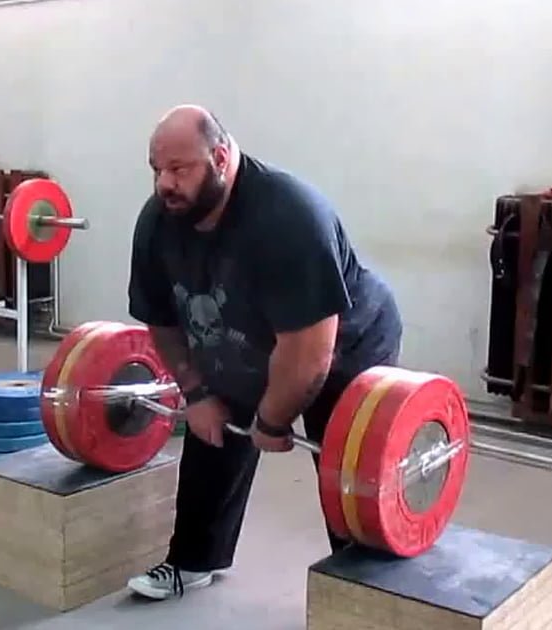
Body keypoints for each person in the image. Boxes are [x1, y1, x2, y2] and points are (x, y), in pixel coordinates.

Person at [125, 104, 403, 600]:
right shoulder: (160, 221)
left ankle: (361, 593)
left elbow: (309, 354)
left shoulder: (287, 217)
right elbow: (162, 321)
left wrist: (272, 423)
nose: (165, 183)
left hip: (344, 344)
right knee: (212, 430)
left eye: (179, 169)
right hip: (247, 335)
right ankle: (192, 560)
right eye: (157, 170)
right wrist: (198, 393)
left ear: (222, 156)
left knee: (345, 466)